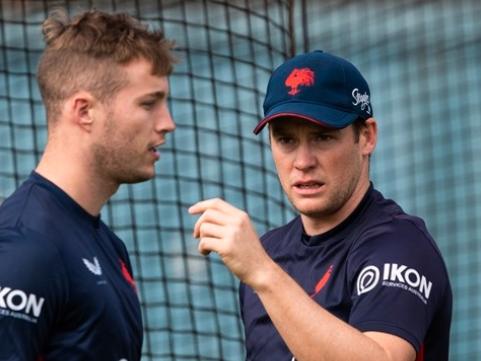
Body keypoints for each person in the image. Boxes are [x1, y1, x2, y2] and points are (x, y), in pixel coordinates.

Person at [189, 50, 452, 361]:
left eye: (323, 137)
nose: (302, 162)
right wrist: (262, 269)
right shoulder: (270, 251)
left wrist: (262, 273)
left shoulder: (400, 245)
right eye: (286, 140)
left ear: (366, 137)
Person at [0, 9, 175, 361]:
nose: (167, 123)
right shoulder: (27, 248)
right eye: (148, 103)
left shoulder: (109, 246)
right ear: (84, 111)